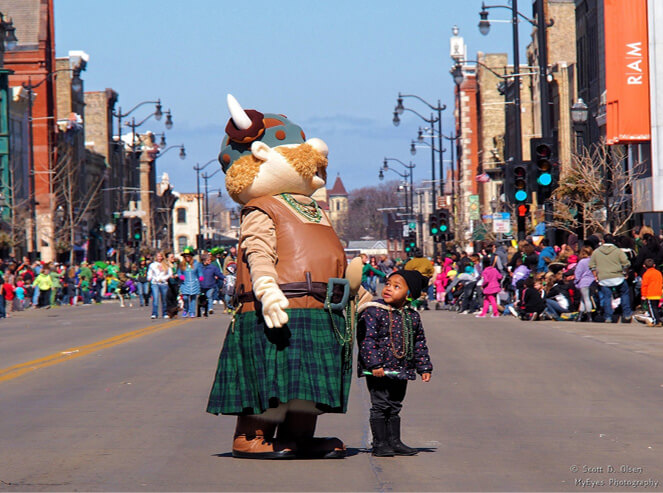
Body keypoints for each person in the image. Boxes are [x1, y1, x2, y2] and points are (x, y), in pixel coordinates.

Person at [357, 269, 433, 457]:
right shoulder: (374, 311)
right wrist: (374, 365)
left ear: (409, 295)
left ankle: (394, 441)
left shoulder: (412, 316)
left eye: (396, 286)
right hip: (379, 370)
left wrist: (424, 366)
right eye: (388, 284)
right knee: (380, 404)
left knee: (395, 404)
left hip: (402, 369)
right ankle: (380, 443)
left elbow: (419, 343)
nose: (388, 289)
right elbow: (367, 340)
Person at [589, 234, 633, 323]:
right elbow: (626, 263)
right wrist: (626, 273)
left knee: (607, 297)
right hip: (618, 276)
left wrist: (595, 276)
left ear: (603, 241)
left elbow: (592, 266)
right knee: (624, 293)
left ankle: (608, 316)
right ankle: (627, 314)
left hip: (603, 278)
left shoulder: (596, 252)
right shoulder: (618, 251)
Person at [178, 247, 202, 318]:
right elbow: (179, 272)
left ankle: (192, 312)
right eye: (185, 256)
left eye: (188, 256)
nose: (187, 258)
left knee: (193, 298)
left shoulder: (196, 264)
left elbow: (200, 272)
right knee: (185, 297)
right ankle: (186, 310)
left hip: (194, 282)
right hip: (185, 283)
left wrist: (201, 277)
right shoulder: (182, 264)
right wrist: (180, 276)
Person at [574, 246, 596, 322]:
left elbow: (578, 273)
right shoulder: (593, 261)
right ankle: (580, 315)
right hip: (592, 282)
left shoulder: (582, 262)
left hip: (584, 282)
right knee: (583, 299)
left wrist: (576, 281)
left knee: (586, 299)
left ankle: (589, 316)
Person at [147, 251, 171, 319]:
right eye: (158, 256)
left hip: (163, 283)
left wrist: (164, 278)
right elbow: (150, 273)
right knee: (155, 298)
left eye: (160, 256)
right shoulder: (152, 265)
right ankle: (154, 313)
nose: (159, 258)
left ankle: (165, 313)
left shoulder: (166, 264)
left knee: (164, 299)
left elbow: (169, 274)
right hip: (155, 283)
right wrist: (149, 278)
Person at [639, 258, 663, 326]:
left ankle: (656, 321)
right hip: (658, 293)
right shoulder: (658, 273)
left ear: (644, 266)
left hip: (650, 294)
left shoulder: (646, 274)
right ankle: (658, 319)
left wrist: (643, 295)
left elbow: (644, 285)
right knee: (656, 307)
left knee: (652, 308)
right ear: (654, 265)